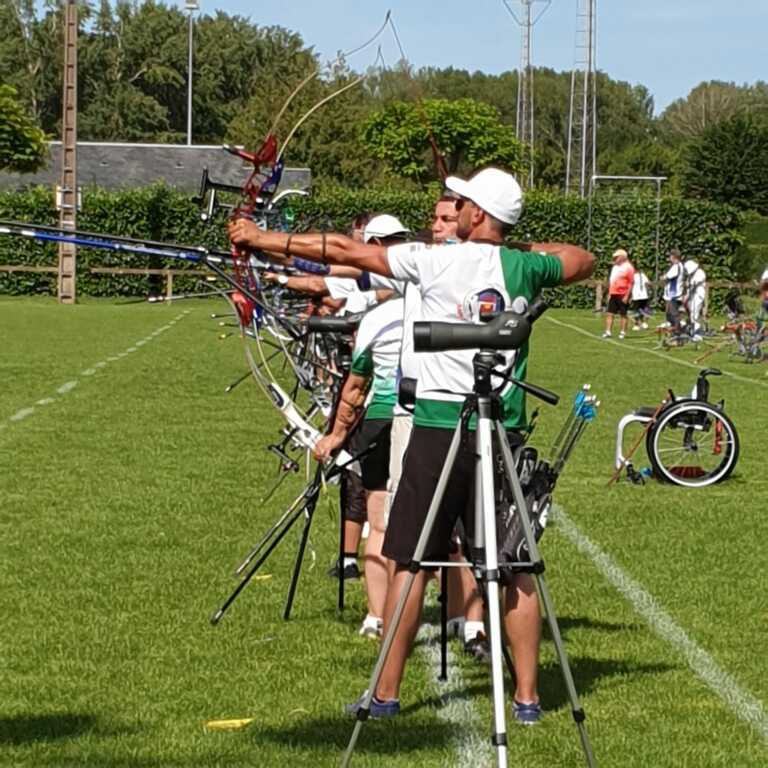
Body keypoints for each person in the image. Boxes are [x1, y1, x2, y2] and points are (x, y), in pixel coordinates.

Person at [228, 166, 595, 725]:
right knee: (514, 563)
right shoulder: (524, 267)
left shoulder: (431, 260)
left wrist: (261, 238)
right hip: (502, 430)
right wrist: (510, 249)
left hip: (437, 429)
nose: (454, 212)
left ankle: (385, 693)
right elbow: (582, 259)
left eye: (463, 205)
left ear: (479, 214)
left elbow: (346, 251)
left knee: (409, 561)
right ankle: (527, 699)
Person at [602, 248, 635, 339]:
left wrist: (627, 295)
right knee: (610, 313)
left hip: (623, 294)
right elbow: (612, 280)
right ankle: (608, 331)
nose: (615, 259)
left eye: (617, 257)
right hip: (614, 293)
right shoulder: (615, 267)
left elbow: (631, 282)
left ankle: (622, 332)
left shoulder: (629, 267)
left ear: (622, 257)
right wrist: (610, 293)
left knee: (623, 314)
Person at [682, 258, 707, 339]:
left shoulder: (700, 273)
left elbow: (695, 284)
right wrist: (686, 296)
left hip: (698, 295)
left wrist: (689, 285)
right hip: (692, 295)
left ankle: (697, 332)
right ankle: (692, 330)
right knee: (691, 313)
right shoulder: (691, 276)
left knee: (695, 313)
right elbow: (689, 287)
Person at [662, 249, 685, 331]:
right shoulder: (681, 266)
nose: (669, 258)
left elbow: (668, 277)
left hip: (674, 293)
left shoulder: (676, 267)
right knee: (670, 313)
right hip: (676, 293)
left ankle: (677, 329)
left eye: (670, 256)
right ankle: (675, 328)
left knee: (673, 313)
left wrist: (663, 277)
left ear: (674, 257)